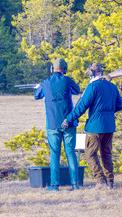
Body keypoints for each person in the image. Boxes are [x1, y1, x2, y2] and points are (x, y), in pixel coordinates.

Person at [61, 63, 122, 189]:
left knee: (90, 153)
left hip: (95, 126)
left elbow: (82, 107)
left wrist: (68, 119)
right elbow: (119, 106)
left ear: (91, 73)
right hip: (110, 126)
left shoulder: (92, 87)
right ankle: (110, 182)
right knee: (106, 154)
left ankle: (100, 181)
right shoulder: (112, 86)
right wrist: (108, 113)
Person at [34, 58, 80, 191]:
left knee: (55, 153)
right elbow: (77, 90)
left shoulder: (46, 82)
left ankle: (54, 185)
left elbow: (37, 96)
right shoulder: (68, 80)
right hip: (69, 122)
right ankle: (75, 184)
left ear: (52, 70)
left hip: (53, 124)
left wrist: (38, 87)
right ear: (65, 70)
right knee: (70, 152)